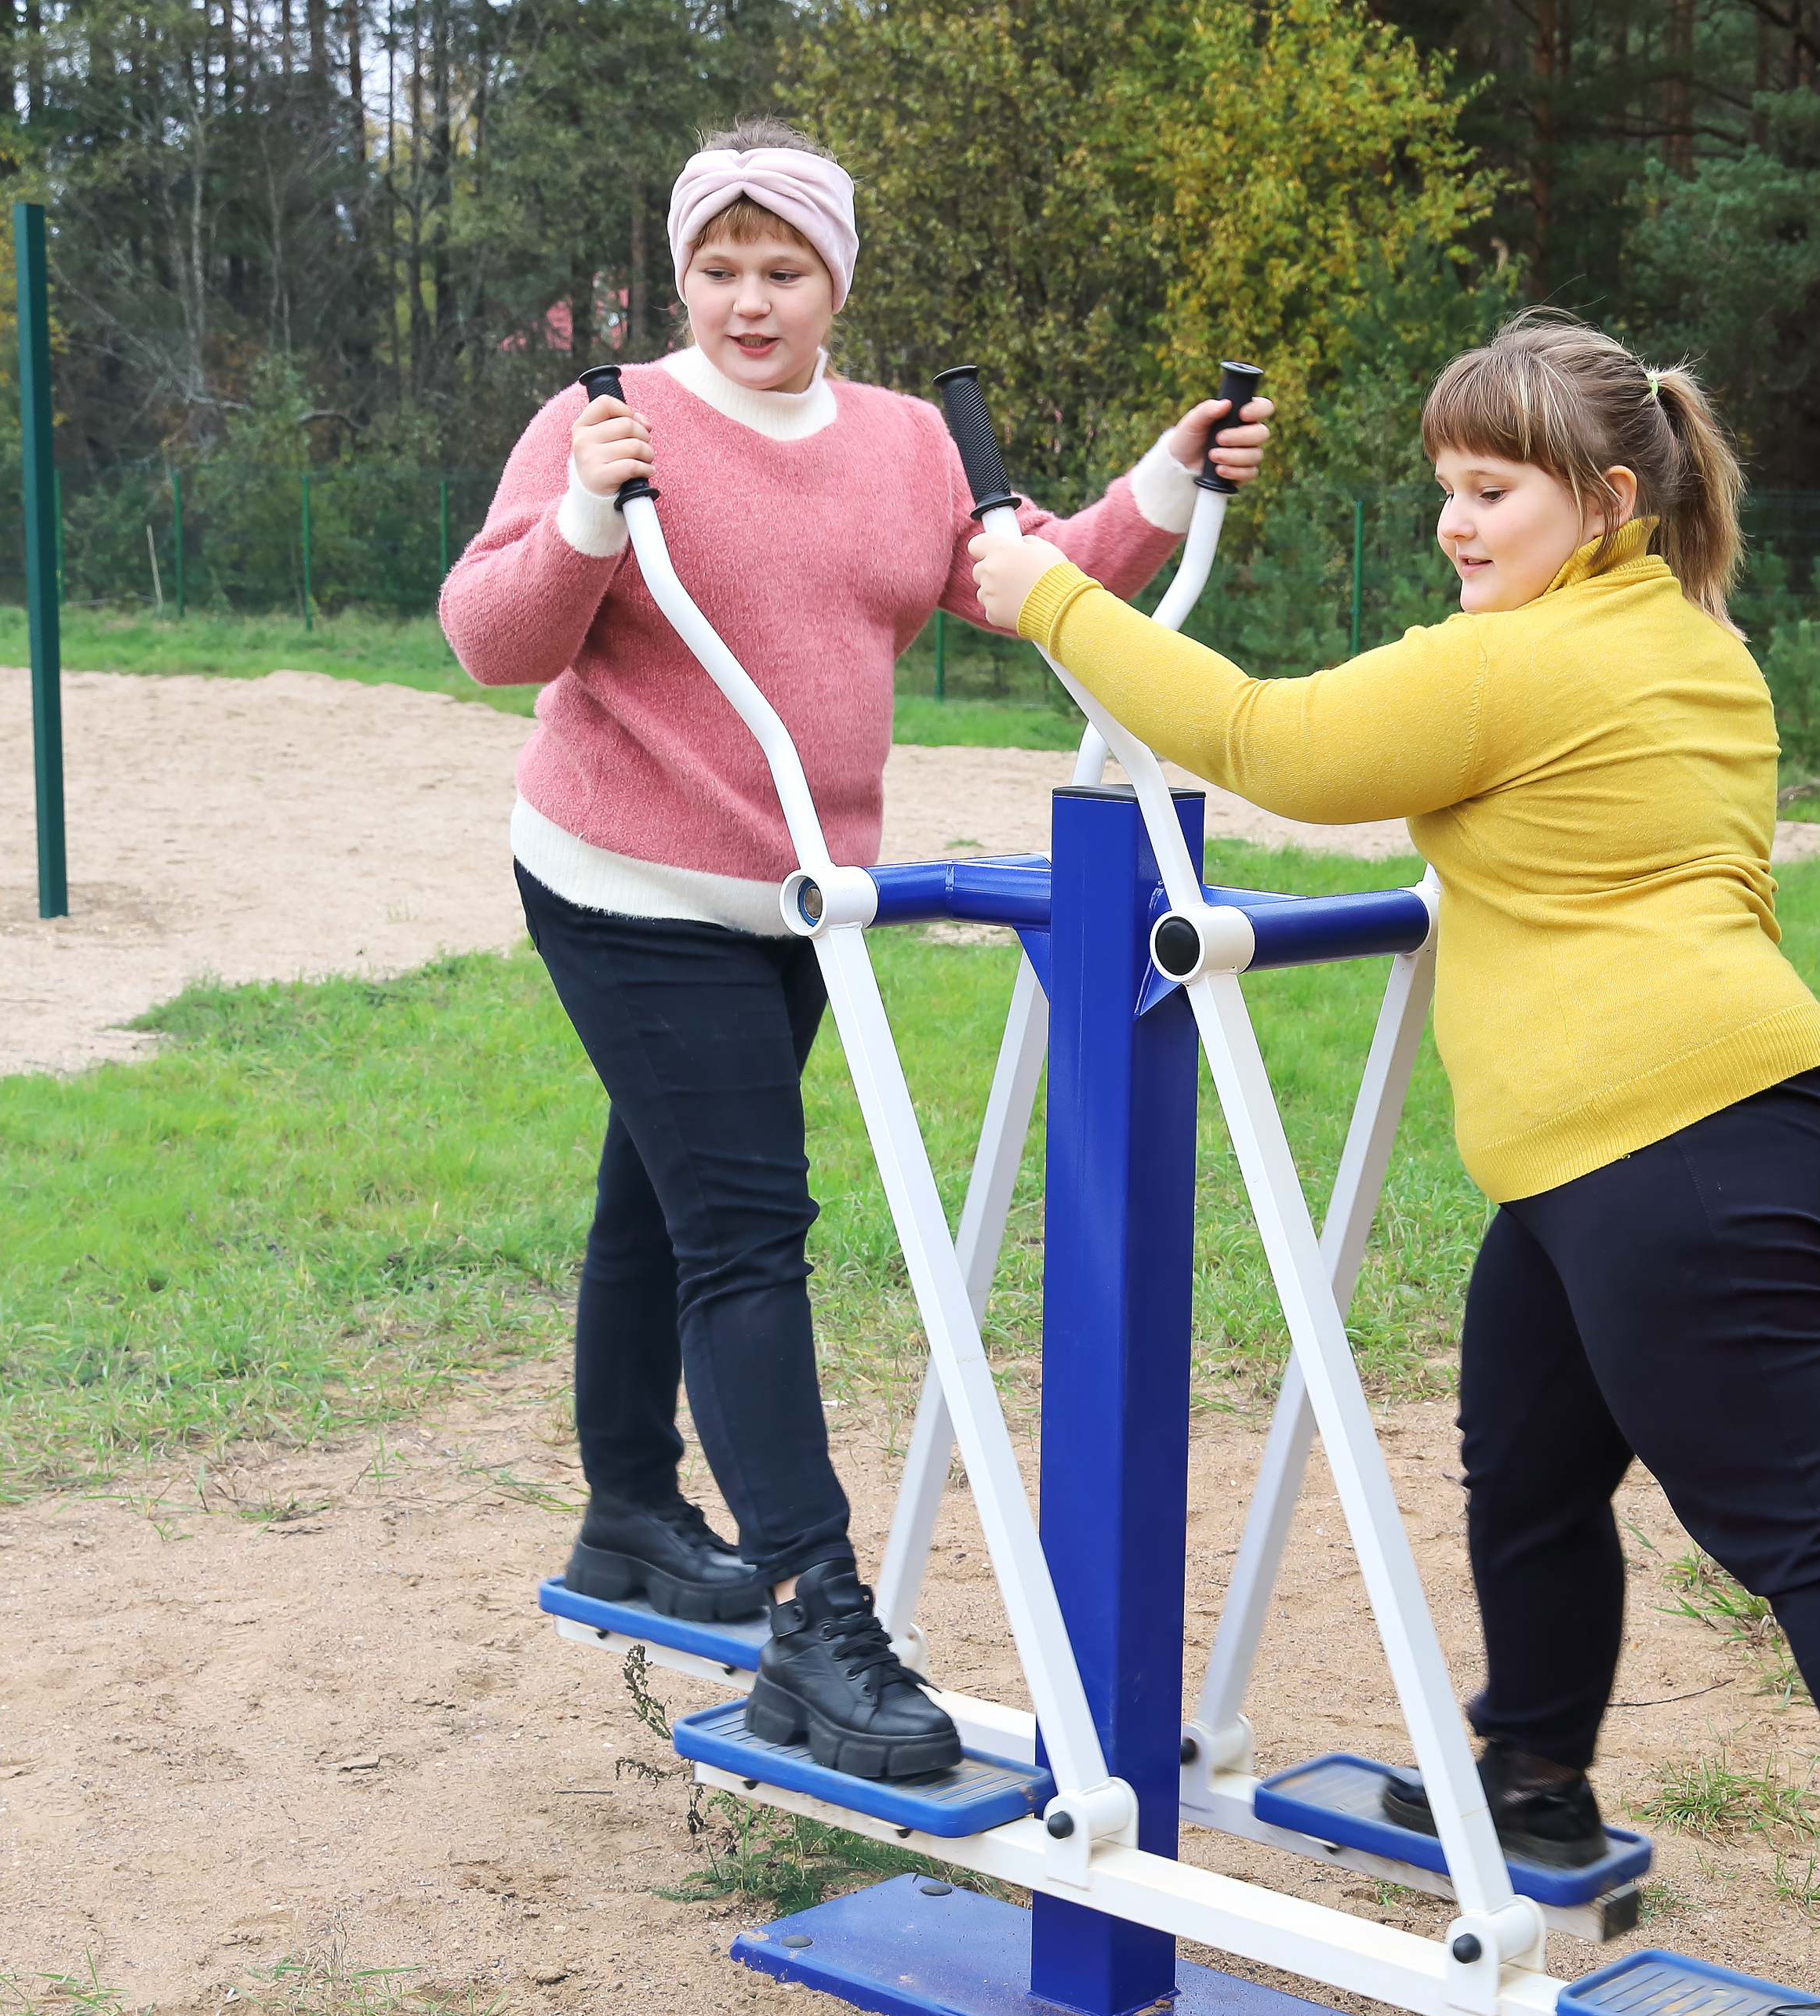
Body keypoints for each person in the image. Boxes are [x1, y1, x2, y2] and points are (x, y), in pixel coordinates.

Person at [962, 315, 1820, 2016]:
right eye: (1446, 492)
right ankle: (1530, 1770)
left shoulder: (1536, 664)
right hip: (1646, 1144)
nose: (1457, 525)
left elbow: (1271, 742)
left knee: (1810, 1539)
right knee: (1528, 1457)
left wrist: (1044, 594)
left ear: (1607, 498)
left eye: (1494, 491)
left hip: (1676, 1147)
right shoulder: (1678, 635)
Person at [441, 121, 1275, 1783]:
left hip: (804, 891)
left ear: (838, 282)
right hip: (623, 877)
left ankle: (626, 1513)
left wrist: (1169, 479)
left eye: (785, 269)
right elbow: (488, 638)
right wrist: (589, 522)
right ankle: (819, 1618)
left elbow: (1028, 575)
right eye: (719, 268)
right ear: (679, 274)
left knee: (663, 1189)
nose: (749, 302)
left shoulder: (900, 442)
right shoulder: (606, 419)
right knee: (746, 1224)